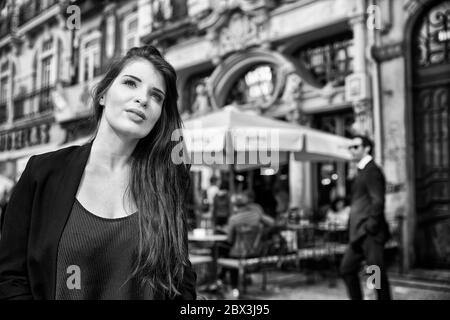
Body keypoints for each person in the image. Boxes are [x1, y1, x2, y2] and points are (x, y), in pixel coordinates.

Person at [0, 45, 196, 300]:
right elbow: (10, 278)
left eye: (156, 96)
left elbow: (181, 281)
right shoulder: (42, 172)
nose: (143, 99)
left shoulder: (166, 183)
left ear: (159, 115)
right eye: (130, 83)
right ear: (103, 94)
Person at [340, 135, 391, 300]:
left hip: (369, 233)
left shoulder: (372, 170)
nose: (352, 150)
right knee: (347, 269)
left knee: (375, 274)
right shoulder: (361, 170)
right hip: (359, 234)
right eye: (351, 147)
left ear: (367, 148)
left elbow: (378, 200)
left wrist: (370, 226)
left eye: (356, 147)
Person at [216, 192, 275, 298]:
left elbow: (230, 240)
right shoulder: (256, 215)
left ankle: (226, 283)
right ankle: (224, 280)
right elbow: (272, 223)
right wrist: (261, 231)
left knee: (223, 250)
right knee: (228, 252)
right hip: (256, 252)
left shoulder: (234, 219)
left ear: (234, 206)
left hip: (239, 256)